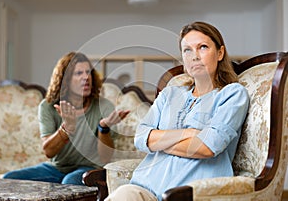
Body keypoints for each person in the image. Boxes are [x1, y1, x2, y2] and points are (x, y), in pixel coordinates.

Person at [105, 21, 250, 201]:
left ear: (220, 53)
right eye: (187, 50)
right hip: (144, 190)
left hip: (190, 195)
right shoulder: (170, 93)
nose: (194, 56)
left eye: (202, 47)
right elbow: (141, 137)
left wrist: (159, 141)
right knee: (122, 195)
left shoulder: (232, 94)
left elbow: (208, 147)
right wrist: (189, 133)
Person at [3, 51, 130, 185]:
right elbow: (49, 152)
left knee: (69, 181)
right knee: (9, 179)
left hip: (90, 169)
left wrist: (103, 128)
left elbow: (105, 158)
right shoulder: (48, 106)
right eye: (78, 73)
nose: (86, 77)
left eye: (88, 72)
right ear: (65, 79)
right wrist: (66, 129)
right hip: (57, 168)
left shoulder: (103, 106)